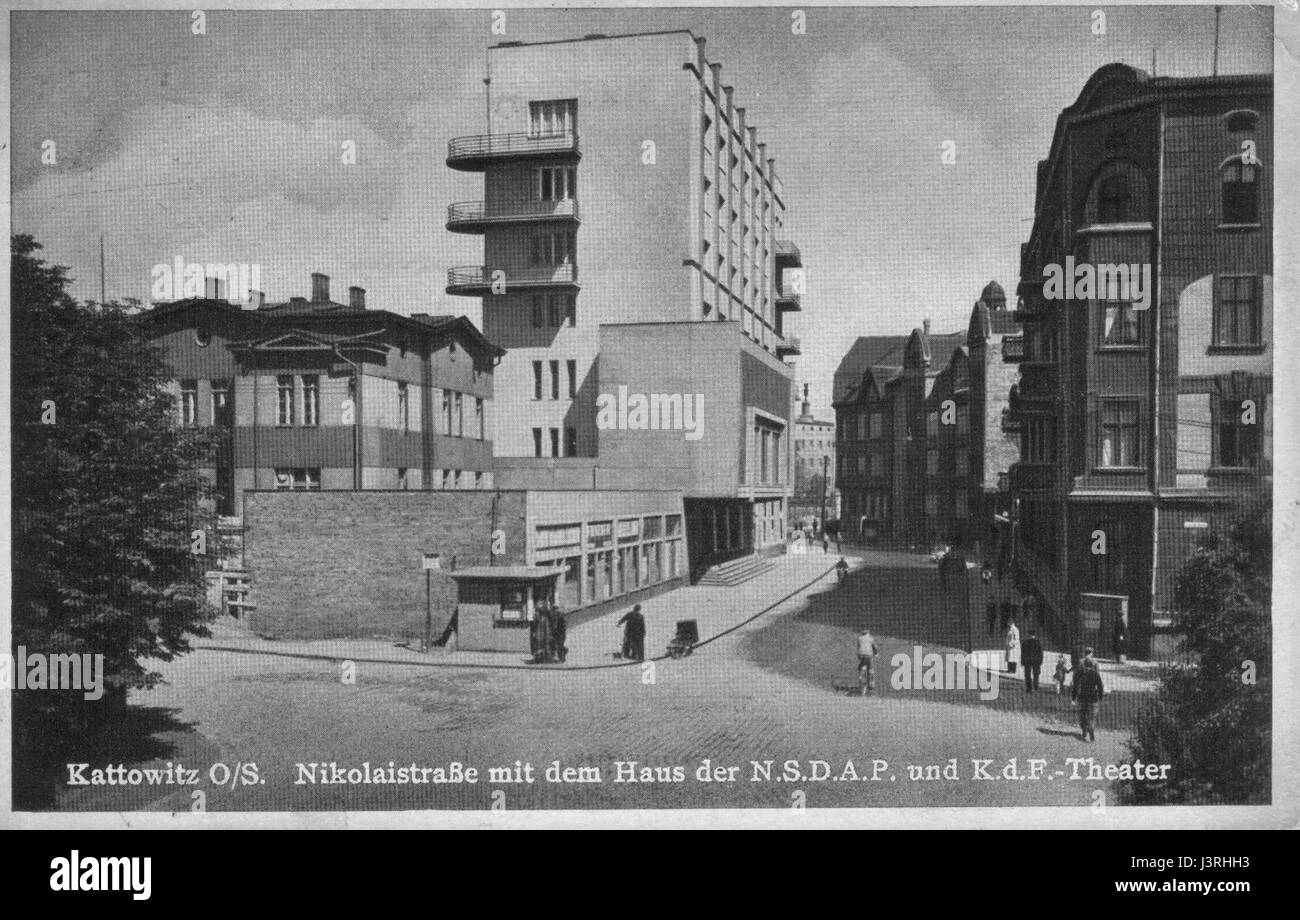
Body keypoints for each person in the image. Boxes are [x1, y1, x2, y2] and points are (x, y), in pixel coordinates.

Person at [1075, 657, 1105, 742]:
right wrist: (1101, 696)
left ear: (1084, 665)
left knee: (1081, 716)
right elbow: (1100, 686)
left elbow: (1075, 686)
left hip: (1082, 698)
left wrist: (1073, 697)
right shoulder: (1095, 674)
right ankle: (1091, 728)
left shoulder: (1080, 673)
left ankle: (1084, 729)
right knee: (1092, 717)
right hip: (1093, 698)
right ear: (1092, 665)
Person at [856, 628, 878, 696]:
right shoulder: (871, 638)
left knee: (861, 665)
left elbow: (858, 647)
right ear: (868, 633)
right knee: (871, 669)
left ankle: (860, 675)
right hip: (868, 656)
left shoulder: (859, 638)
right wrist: (876, 653)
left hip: (861, 655)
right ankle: (871, 684)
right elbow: (875, 647)